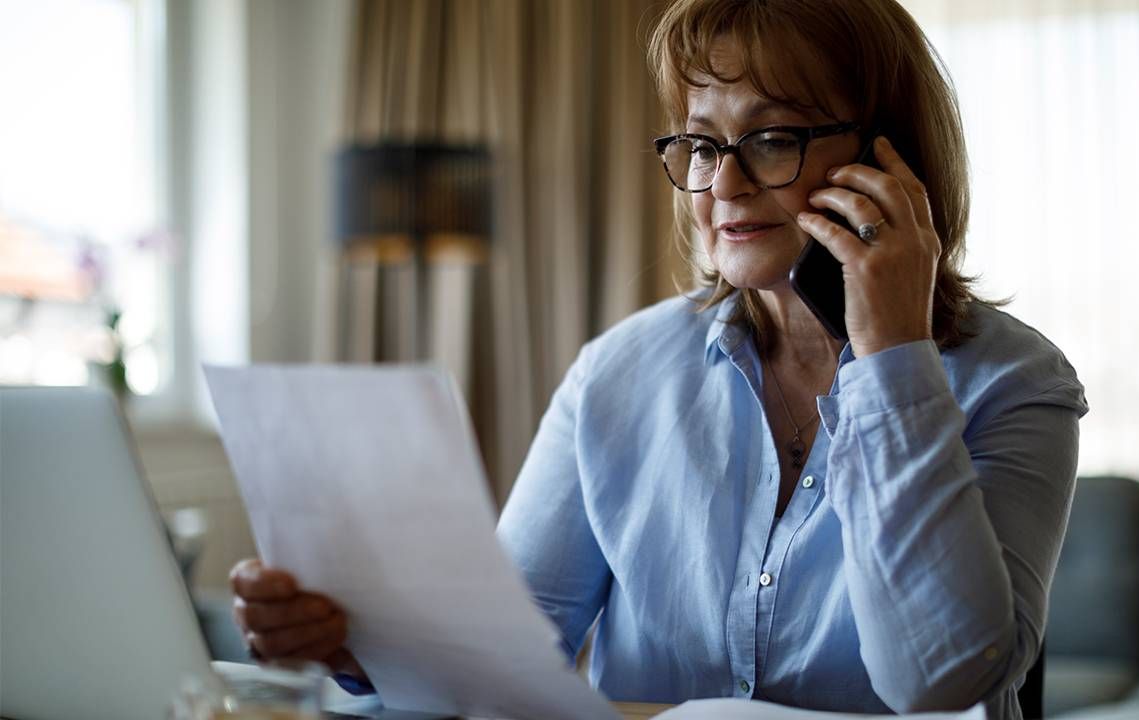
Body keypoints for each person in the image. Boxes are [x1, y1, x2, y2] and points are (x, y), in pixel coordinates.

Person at [229, 0, 1087, 717]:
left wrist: (891, 357)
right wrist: (355, 647)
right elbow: (501, 659)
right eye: (701, 143)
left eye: (773, 138)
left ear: (885, 161)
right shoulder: (618, 373)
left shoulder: (1017, 384)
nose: (722, 185)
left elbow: (939, 683)